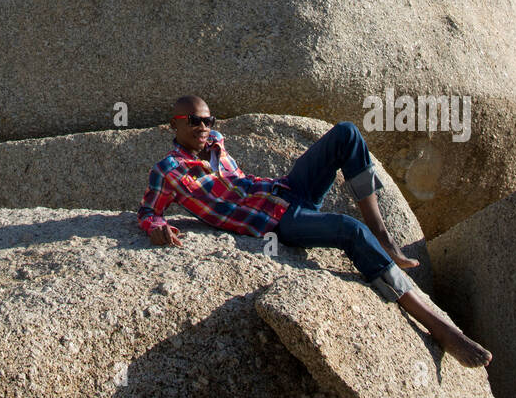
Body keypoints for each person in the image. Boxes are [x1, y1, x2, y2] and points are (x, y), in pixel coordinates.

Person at [137, 94, 492, 368]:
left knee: (346, 133)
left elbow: (238, 177)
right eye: (194, 121)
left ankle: (382, 233)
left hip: (289, 190)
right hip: (277, 223)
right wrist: (157, 227)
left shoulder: (214, 141)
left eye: (207, 119)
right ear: (174, 124)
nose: (203, 127)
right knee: (347, 230)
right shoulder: (169, 169)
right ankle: (439, 327)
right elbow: (149, 211)